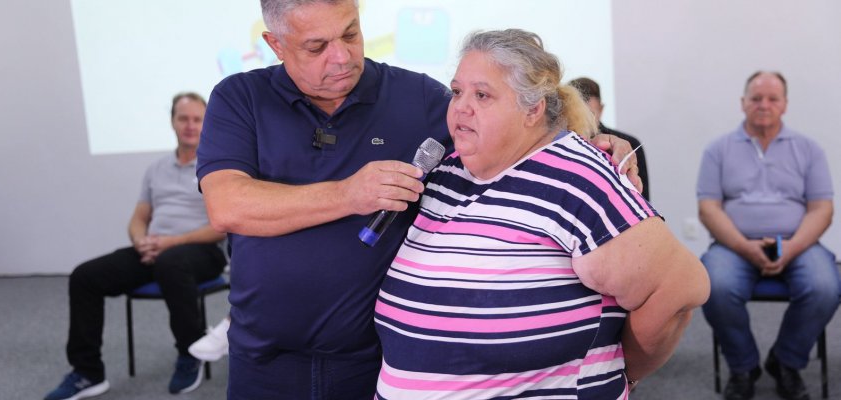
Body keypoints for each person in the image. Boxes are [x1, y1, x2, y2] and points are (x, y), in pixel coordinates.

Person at [196, 1, 642, 398]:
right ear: (275, 44)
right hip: (264, 361)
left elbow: (518, 133)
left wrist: (595, 141)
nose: (342, 56)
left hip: (378, 361)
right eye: (316, 47)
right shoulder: (240, 98)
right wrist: (350, 194)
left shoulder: (418, 97)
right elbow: (228, 205)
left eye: (350, 33)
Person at [373, 28, 709, 400]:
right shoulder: (449, 169)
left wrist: (618, 376)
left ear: (532, 109)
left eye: (482, 95)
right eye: (456, 92)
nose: (460, 107)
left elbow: (679, 289)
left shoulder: (578, 177)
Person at [45, 92, 228, 400]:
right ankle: (88, 373)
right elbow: (139, 218)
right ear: (172, 122)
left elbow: (221, 226)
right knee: (84, 276)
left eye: (197, 119)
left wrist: (173, 242)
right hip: (155, 250)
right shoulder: (156, 169)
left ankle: (189, 353)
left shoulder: (218, 166)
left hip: (201, 250)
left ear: (207, 123)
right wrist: (140, 241)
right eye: (183, 118)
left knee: (172, 262)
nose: (190, 125)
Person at [697, 71, 840, 400]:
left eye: (772, 98)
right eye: (756, 98)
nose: (764, 105)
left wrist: (791, 248)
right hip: (734, 245)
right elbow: (709, 209)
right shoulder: (717, 150)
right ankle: (743, 367)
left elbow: (822, 209)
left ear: (785, 105)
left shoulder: (809, 149)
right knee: (713, 286)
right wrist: (743, 246)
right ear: (742, 103)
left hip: (798, 244)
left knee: (825, 287)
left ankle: (785, 362)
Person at [570, 76, 650, 199]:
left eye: (590, 114)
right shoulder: (557, 144)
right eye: (578, 114)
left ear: (601, 109)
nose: (583, 121)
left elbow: (643, 199)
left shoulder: (628, 144)